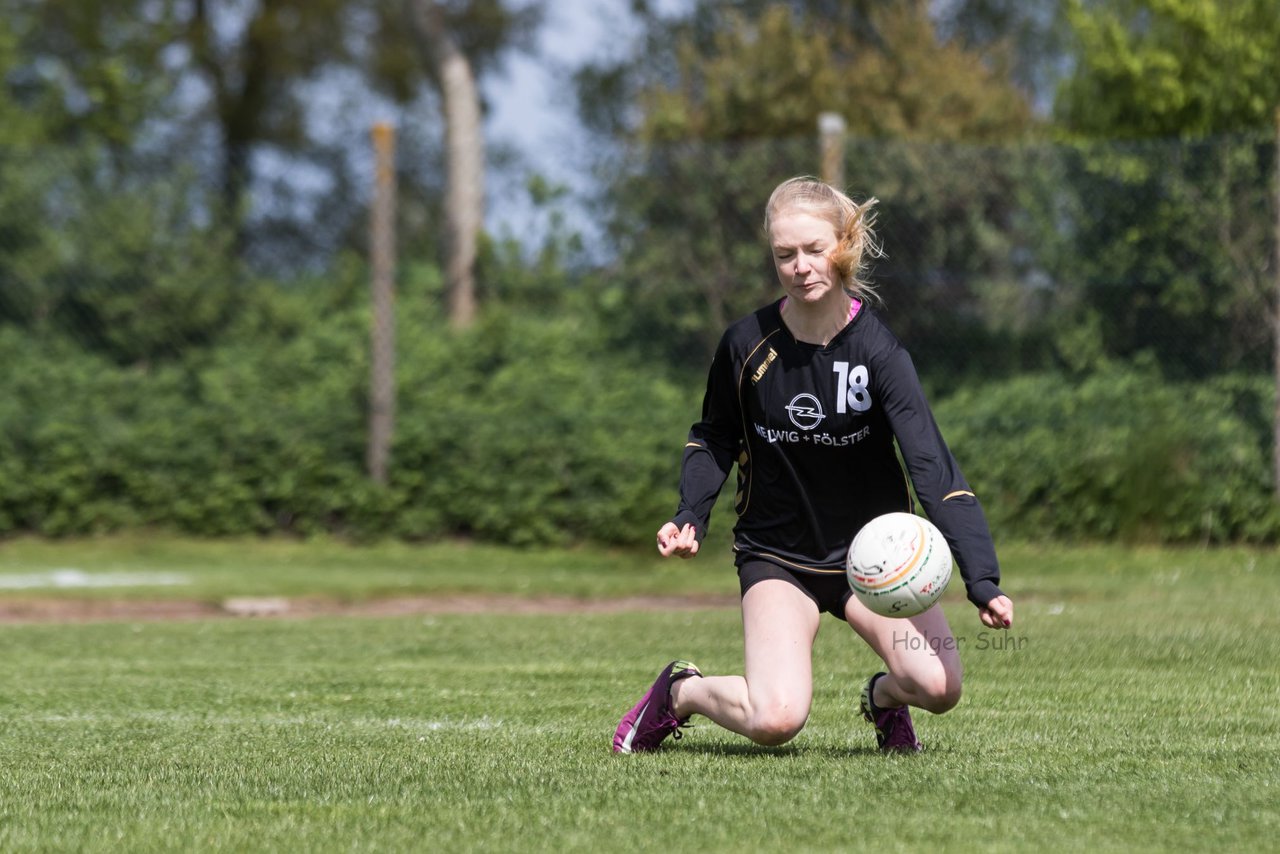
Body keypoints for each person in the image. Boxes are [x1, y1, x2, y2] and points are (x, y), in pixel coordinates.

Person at [612, 176, 1014, 755]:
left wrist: (982, 578)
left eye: (814, 250)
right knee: (776, 720)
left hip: (871, 562)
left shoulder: (879, 352)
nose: (800, 267)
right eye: (784, 255)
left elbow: (932, 467)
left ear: (844, 245)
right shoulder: (745, 343)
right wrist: (691, 514)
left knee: (939, 685)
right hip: (778, 553)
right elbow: (713, 437)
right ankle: (680, 693)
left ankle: (882, 700)